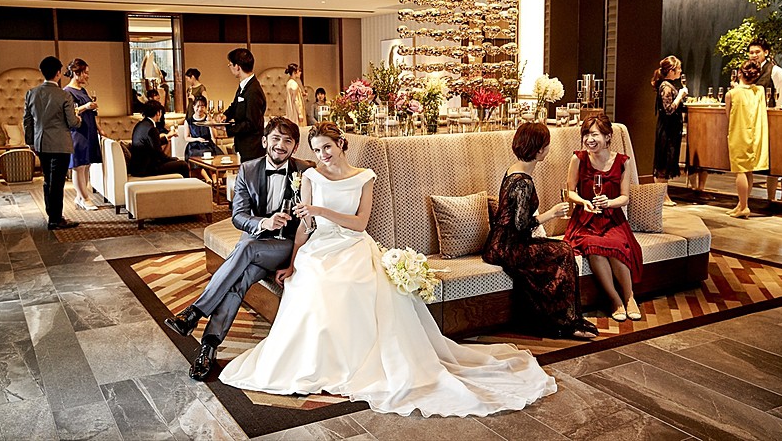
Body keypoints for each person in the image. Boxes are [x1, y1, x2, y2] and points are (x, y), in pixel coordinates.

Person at [218, 122, 557, 417]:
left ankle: (360, 362)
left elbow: (359, 223)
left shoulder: (364, 177)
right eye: (317, 150)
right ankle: (320, 362)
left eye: (327, 148)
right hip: (318, 248)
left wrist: (320, 210)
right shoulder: (309, 177)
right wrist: (293, 262)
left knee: (356, 283)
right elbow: (306, 227)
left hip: (353, 244)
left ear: (341, 144)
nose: (322, 155)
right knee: (312, 281)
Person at [164, 117, 313, 380]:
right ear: (264, 141)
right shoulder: (248, 169)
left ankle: (195, 312)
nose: (281, 145)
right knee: (238, 282)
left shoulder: (306, 171)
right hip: (257, 242)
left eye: (288, 140)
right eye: (276, 138)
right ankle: (208, 347)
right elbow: (238, 216)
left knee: (246, 249)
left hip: (285, 246)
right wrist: (263, 222)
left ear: (295, 146)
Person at [483, 122, 598, 340]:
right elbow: (520, 225)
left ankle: (564, 317)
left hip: (505, 242)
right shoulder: (523, 182)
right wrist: (551, 213)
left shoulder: (514, 170)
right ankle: (564, 321)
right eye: (547, 145)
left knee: (563, 249)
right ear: (538, 150)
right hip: (508, 248)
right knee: (564, 252)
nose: (548, 148)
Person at [563, 114, 643, 322]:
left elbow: (625, 198)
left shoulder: (622, 162)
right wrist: (583, 202)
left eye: (594, 135)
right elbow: (570, 192)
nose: (589, 140)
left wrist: (609, 202)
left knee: (616, 247)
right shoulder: (578, 159)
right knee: (594, 248)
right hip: (585, 220)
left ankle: (629, 297)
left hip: (612, 219)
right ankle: (615, 300)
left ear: (607, 136)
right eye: (586, 135)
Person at [24, 56, 81, 230]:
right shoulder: (64, 95)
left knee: (48, 180)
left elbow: (27, 121)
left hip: (40, 143)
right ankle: (55, 219)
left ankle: (52, 215)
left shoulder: (31, 93)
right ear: (58, 73)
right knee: (57, 183)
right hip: (60, 144)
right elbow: (72, 122)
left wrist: (30, 142)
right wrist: (79, 118)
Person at [748, 39, 782, 203]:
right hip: (753, 121)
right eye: (751, 52)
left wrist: (775, 116)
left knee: (776, 161)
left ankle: (776, 199)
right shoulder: (748, 70)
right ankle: (758, 199)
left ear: (766, 53)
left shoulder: (775, 71)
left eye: (757, 52)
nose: (754, 55)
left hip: (771, 120)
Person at [725, 60, 768, 218]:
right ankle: (741, 204)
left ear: (740, 73)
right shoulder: (760, 91)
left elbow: (728, 115)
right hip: (755, 135)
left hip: (739, 134)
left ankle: (743, 207)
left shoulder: (732, 94)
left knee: (740, 171)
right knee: (748, 170)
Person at [63, 58, 102, 211]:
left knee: (86, 165)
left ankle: (80, 197)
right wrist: (86, 106)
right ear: (76, 73)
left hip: (89, 130)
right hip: (78, 132)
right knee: (78, 165)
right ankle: (85, 198)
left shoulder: (82, 90)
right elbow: (70, 113)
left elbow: (91, 112)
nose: (87, 76)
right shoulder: (67, 92)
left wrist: (99, 129)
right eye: (85, 73)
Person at [215, 48, 266, 162]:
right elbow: (235, 105)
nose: (230, 67)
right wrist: (225, 116)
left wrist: (227, 130)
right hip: (243, 144)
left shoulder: (253, 90)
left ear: (237, 66)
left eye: (230, 64)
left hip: (252, 147)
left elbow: (251, 123)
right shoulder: (244, 85)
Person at [650, 55, 688, 206]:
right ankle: (662, 196)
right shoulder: (666, 87)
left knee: (666, 160)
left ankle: (663, 195)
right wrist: (680, 96)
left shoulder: (668, 85)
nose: (680, 71)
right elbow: (669, 109)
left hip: (670, 129)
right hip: (666, 130)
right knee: (663, 161)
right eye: (678, 69)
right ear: (671, 70)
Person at [129, 100, 189, 179]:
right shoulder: (151, 129)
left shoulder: (140, 125)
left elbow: (151, 144)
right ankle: (187, 186)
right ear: (158, 113)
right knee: (183, 165)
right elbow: (158, 155)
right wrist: (173, 159)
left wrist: (167, 137)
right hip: (147, 168)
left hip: (137, 168)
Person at [183, 95, 223, 184]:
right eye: (197, 106)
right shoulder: (189, 121)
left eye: (202, 106)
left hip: (208, 144)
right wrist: (197, 139)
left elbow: (214, 136)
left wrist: (210, 124)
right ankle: (208, 179)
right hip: (195, 145)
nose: (200, 109)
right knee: (198, 155)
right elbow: (186, 137)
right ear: (193, 107)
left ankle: (215, 178)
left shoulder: (208, 118)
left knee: (214, 155)